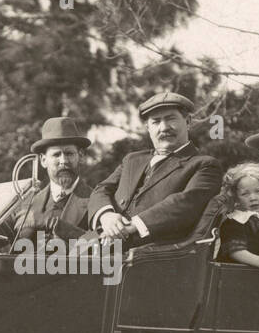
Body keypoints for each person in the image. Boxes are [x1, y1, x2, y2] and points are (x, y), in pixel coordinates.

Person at [88, 92, 222, 246]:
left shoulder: (204, 165)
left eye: (171, 119)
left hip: (148, 253)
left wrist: (127, 228)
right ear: (148, 128)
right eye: (156, 122)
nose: (164, 128)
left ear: (188, 121)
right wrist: (107, 216)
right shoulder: (132, 160)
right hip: (98, 241)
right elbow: (102, 189)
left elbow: (183, 205)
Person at [1, 117, 94, 243]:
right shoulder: (25, 204)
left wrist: (51, 223)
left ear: (81, 157)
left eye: (69, 154)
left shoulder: (96, 201)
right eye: (56, 155)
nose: (64, 161)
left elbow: (108, 247)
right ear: (43, 160)